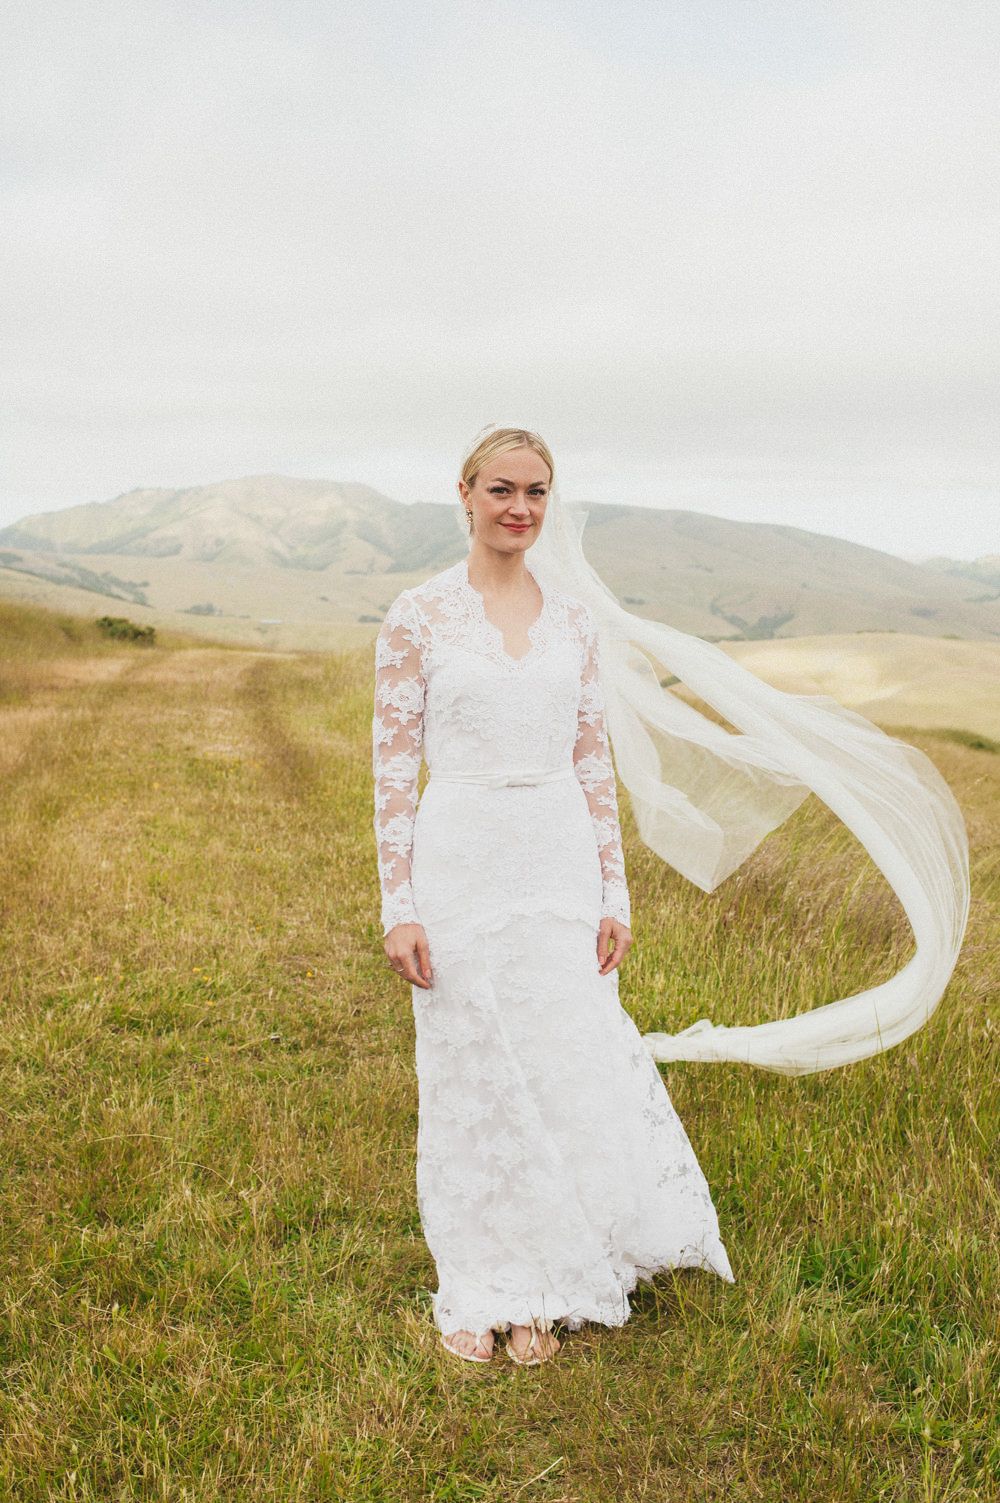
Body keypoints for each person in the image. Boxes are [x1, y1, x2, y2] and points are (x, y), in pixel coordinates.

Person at [372, 427, 733, 1367]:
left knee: (560, 1055)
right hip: (459, 855)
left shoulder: (575, 621)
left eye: (536, 492)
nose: (520, 508)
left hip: (557, 861)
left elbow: (591, 760)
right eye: (501, 490)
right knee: (472, 1063)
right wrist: (397, 903)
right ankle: (488, 1277)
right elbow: (391, 771)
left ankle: (554, 1271)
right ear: (464, 492)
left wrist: (614, 887)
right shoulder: (416, 617)